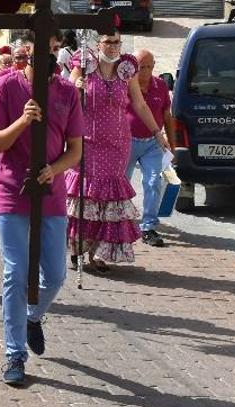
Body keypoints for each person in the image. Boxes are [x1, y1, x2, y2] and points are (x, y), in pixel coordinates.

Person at [0, 37, 85, 387]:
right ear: (25, 58)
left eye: (51, 57)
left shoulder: (67, 93)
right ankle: (14, 353)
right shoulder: (5, 86)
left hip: (51, 193)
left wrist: (54, 170)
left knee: (55, 275)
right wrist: (22, 122)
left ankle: (33, 316)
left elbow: (75, 151)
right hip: (12, 190)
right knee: (15, 271)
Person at [68, 31, 165, 270]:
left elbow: (139, 104)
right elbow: (65, 91)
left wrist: (156, 132)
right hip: (87, 141)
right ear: (98, 43)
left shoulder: (126, 69)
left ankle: (100, 252)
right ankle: (80, 247)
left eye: (116, 42)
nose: (112, 47)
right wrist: (75, 86)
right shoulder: (84, 64)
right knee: (88, 193)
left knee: (110, 196)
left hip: (118, 143)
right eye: (108, 42)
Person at [126, 49, 174, 247]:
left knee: (154, 182)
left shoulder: (160, 85)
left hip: (152, 143)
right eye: (140, 67)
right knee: (122, 184)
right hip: (126, 141)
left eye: (149, 67)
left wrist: (173, 144)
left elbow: (167, 116)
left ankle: (148, 227)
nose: (145, 71)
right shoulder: (125, 84)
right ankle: (120, 221)